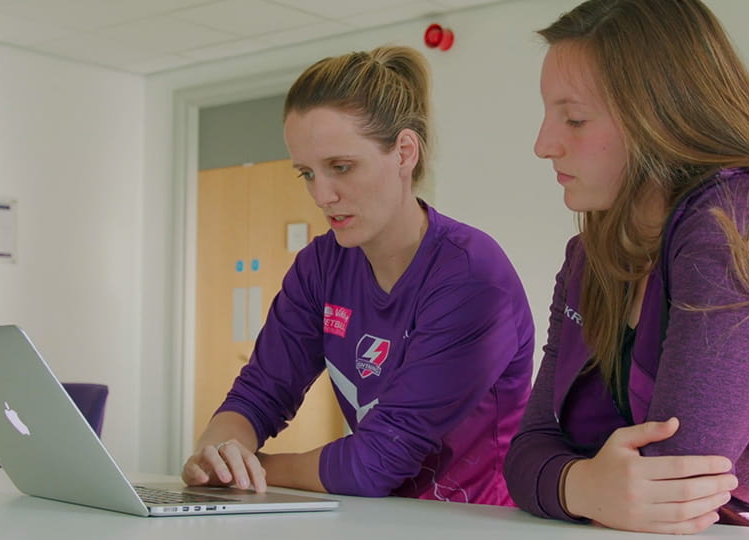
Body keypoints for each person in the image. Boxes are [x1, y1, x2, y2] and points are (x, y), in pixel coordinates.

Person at [503, 0, 749, 534]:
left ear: (659, 115)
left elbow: (678, 477)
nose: (542, 145)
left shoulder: (733, 218)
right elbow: (529, 447)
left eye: (574, 118)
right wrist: (585, 486)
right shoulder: (589, 255)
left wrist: (577, 486)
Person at [183, 45, 534, 506]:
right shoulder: (320, 266)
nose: (322, 195)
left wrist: (252, 470)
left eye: (341, 167)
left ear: (405, 152)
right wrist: (218, 453)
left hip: (474, 524)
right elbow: (260, 393)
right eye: (306, 173)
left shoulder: (470, 277)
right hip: (375, 519)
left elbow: (375, 464)